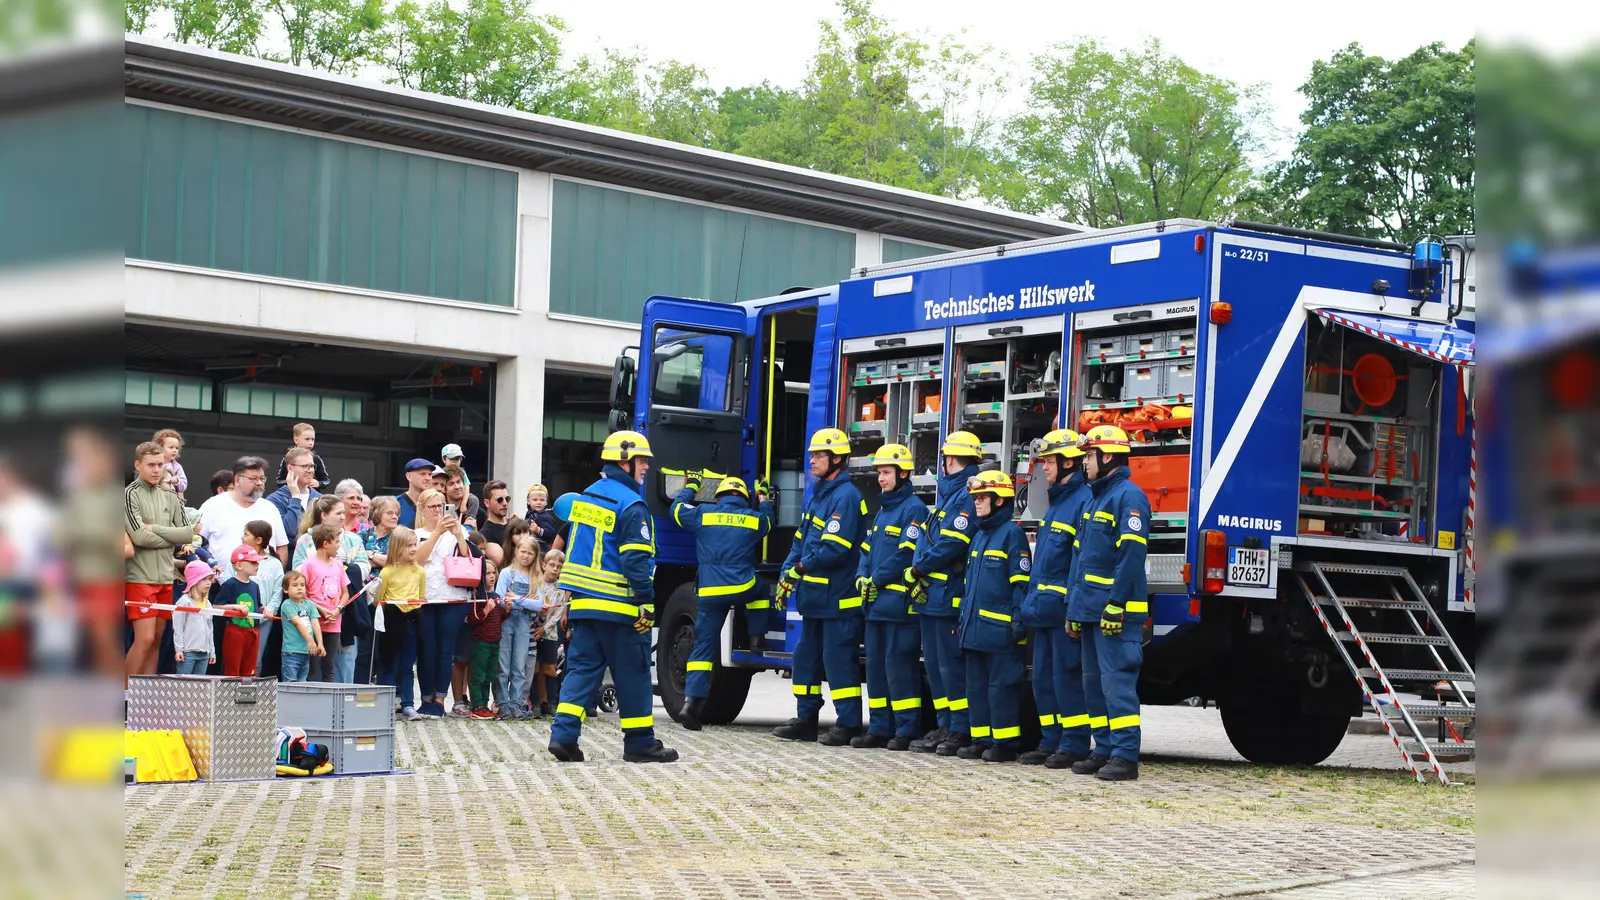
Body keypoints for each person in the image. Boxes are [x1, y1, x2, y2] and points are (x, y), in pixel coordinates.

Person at [548, 430, 677, 763]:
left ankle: (563, 737)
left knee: (581, 671)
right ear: (625, 461)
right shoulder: (631, 504)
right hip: (620, 606)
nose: (647, 467)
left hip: (584, 605)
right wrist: (646, 603)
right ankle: (640, 743)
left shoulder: (587, 496)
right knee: (633, 673)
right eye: (642, 460)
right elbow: (635, 560)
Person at [1062, 425, 1150, 782]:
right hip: (1088, 611)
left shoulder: (1129, 497)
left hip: (1115, 612)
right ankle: (1105, 749)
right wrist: (1073, 609)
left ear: (1108, 456)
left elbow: (1131, 556)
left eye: (1089, 456)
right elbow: (1080, 559)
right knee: (1093, 684)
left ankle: (1125, 755)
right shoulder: (1095, 498)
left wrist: (1116, 603)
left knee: (1117, 683)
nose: (1085, 463)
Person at [773, 428, 868, 746]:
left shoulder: (847, 497)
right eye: (812, 454)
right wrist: (787, 573)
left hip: (838, 601)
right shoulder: (820, 496)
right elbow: (800, 541)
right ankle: (806, 719)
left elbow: (833, 549)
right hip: (815, 601)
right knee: (805, 660)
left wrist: (798, 569)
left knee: (838, 663)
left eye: (818, 455)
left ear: (837, 459)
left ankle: (849, 724)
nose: (811, 460)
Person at [669, 473, 775, 731]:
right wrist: (764, 498)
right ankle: (756, 639)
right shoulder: (752, 518)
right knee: (762, 591)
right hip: (743, 586)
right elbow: (769, 523)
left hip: (710, 592)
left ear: (720, 497)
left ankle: (690, 706)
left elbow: (675, 511)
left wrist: (691, 488)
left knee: (703, 648)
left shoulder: (704, 514)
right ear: (744, 497)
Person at [1018, 429, 1095, 768]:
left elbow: (1080, 564)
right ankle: (1051, 740)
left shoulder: (1082, 502)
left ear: (1068, 463)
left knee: (1066, 678)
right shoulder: (1057, 503)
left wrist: (1073, 607)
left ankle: (1075, 743)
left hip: (1063, 611)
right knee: (1043, 679)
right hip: (1043, 610)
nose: (1044, 468)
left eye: (1049, 461)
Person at [904, 431, 984, 755]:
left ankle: (959, 728)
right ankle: (944, 724)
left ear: (952, 460)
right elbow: (928, 539)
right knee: (936, 667)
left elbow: (952, 544)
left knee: (951, 666)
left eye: (946, 459)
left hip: (947, 597)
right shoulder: (949, 497)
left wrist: (919, 569)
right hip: (931, 598)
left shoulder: (966, 495)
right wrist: (917, 573)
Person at [852, 444, 928, 750]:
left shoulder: (914, 509)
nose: (881, 479)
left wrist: (875, 579)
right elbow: (867, 550)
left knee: (900, 669)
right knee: (877, 671)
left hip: (899, 607)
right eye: (879, 473)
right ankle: (880, 726)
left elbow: (905, 553)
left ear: (903, 473)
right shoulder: (883, 510)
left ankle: (906, 728)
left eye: (886, 473)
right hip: (875, 606)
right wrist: (860, 577)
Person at [953, 471, 1032, 763]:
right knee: (976, 688)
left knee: (1001, 688)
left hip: (1000, 631)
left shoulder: (1013, 535)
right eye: (975, 498)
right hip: (974, 630)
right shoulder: (979, 535)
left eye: (982, 497)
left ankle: (1005, 741)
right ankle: (981, 738)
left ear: (1000, 500)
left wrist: (1017, 621)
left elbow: (1020, 584)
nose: (977, 503)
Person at [124, 441, 200, 684]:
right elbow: (139, 537)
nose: (157, 469)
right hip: (140, 578)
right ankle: (123, 696)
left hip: (166, 578)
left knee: (157, 639)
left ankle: (143, 699)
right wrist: (169, 537)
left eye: (160, 465)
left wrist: (154, 530)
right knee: (144, 640)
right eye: (151, 465)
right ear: (138, 465)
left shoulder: (170, 495)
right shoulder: (128, 494)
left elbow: (188, 535)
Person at [414, 489, 471, 717]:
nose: (438, 510)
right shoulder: (415, 533)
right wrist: (437, 533)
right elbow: (418, 559)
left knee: (446, 650)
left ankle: (440, 699)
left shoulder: (458, 532)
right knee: (427, 648)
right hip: (425, 597)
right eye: (433, 507)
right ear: (422, 510)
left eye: (441, 506)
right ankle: (426, 697)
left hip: (454, 597)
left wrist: (458, 535)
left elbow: (469, 561)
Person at [197, 457, 290, 572]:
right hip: (219, 584)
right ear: (237, 480)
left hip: (263, 586)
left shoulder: (270, 508)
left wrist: (275, 577)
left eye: (262, 478)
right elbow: (196, 543)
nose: (259, 483)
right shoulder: (213, 505)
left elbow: (281, 547)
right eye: (253, 479)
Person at [374, 526, 425, 719]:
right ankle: (386, 703)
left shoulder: (419, 572)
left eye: (415, 545)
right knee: (388, 662)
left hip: (412, 620)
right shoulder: (387, 572)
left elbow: (421, 597)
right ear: (397, 547)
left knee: (407, 665)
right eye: (408, 546)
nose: (413, 549)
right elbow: (379, 598)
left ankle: (408, 703)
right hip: (392, 620)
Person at [300, 523, 355, 683]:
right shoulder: (308, 565)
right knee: (312, 666)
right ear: (325, 544)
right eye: (337, 542)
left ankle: (328, 704)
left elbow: (345, 593)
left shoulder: (338, 564)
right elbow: (303, 594)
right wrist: (321, 610)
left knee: (329, 665)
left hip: (334, 623)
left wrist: (337, 610)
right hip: (314, 622)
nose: (339, 546)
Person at [494, 535, 541, 719]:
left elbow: (539, 605)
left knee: (519, 666)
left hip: (524, 625)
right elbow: (500, 599)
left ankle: (517, 702)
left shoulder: (535, 577)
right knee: (503, 664)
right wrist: (526, 602)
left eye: (530, 553)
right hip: (506, 622)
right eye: (523, 551)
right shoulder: (507, 573)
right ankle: (503, 703)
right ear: (516, 551)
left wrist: (515, 598)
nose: (526, 556)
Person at [215, 545, 265, 676]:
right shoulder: (230, 584)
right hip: (235, 631)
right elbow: (216, 606)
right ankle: (229, 695)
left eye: (257, 562)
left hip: (253, 631)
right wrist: (235, 607)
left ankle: (245, 695)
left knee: (249, 670)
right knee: (232, 669)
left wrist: (265, 609)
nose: (257, 565)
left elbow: (257, 606)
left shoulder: (255, 586)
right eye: (253, 562)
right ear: (239, 565)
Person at [245, 520, 286, 678]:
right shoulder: (239, 557)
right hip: (240, 619)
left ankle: (252, 696)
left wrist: (270, 609)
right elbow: (229, 580)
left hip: (263, 620)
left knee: (256, 660)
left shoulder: (275, 564)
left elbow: (278, 591)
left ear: (259, 540)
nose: (242, 537)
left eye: (246, 534)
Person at [467, 559, 505, 718]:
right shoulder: (477, 596)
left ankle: (484, 704)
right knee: (478, 675)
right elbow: (472, 620)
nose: (491, 576)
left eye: (493, 573)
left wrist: (507, 610)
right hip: (481, 642)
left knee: (489, 675)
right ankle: (477, 705)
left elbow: (499, 619)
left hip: (495, 642)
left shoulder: (495, 595)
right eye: (487, 573)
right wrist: (486, 610)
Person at [173, 561, 219, 675]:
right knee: (184, 687)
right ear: (194, 580)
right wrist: (179, 650)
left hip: (204, 653)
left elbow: (210, 629)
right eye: (204, 579)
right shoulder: (184, 602)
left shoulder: (207, 603)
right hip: (187, 653)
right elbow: (178, 628)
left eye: (209, 579)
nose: (208, 583)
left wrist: (212, 651)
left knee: (200, 688)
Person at [267, 448, 322, 543]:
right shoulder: (274, 500)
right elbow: (289, 532)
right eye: (305, 466)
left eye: (312, 466)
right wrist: (295, 497)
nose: (310, 470)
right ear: (290, 468)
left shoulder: (321, 498)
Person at [278, 570, 324, 683]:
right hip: (291, 652)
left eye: (302, 585)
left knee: (302, 683)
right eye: (295, 585)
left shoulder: (310, 605)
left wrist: (320, 644)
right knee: (290, 682)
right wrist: (310, 641)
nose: (299, 588)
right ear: (286, 589)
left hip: (306, 652)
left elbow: (315, 624)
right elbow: (297, 623)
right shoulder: (287, 604)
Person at [276, 423, 329, 487]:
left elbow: (326, 480)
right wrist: (291, 482)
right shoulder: (287, 459)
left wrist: (319, 483)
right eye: (307, 439)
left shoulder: (316, 459)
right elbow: (279, 481)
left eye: (312, 439)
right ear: (296, 440)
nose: (311, 443)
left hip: (311, 495)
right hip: (290, 494)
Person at [477, 481, 511, 564]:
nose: (505, 503)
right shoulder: (485, 534)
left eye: (507, 499)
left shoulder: (513, 525)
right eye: (500, 500)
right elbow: (503, 563)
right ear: (487, 503)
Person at [396, 459, 434, 528]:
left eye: (430, 474)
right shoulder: (396, 504)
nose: (428, 478)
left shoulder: (436, 504)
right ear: (409, 476)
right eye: (422, 474)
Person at [441, 464, 480, 529]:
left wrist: (475, 531)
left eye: (458, 482)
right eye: (451, 484)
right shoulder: (438, 510)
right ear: (444, 489)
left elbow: (482, 538)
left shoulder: (478, 512)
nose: (457, 487)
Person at [153, 429, 188, 501]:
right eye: (171, 447)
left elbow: (184, 485)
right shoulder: (153, 464)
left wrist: (176, 480)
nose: (175, 450)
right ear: (160, 447)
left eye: (176, 448)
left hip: (171, 499)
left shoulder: (177, 467)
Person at [524, 485, 560, 555]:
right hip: (527, 547)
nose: (539, 502)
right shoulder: (528, 514)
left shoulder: (546, 516)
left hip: (540, 550)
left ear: (546, 502)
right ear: (528, 501)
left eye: (542, 500)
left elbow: (551, 533)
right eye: (535, 500)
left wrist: (538, 530)